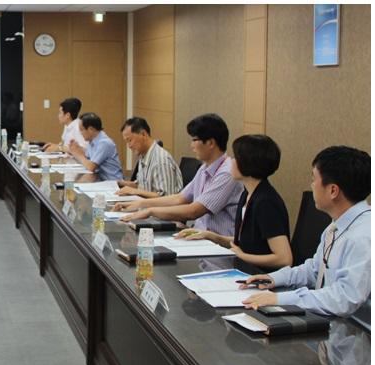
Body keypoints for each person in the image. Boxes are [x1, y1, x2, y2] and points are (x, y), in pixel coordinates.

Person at [241, 146, 371, 315]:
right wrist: (274, 278)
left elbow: (344, 299)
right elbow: (315, 270)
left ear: (333, 190)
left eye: (313, 179)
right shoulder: (336, 226)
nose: (312, 185)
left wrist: (281, 299)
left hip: (355, 327)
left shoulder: (363, 236)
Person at [175, 134, 291, 271]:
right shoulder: (247, 194)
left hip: (262, 277)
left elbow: (284, 259)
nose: (231, 161)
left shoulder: (266, 202)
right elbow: (245, 243)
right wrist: (210, 236)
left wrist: (243, 256)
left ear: (248, 163)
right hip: (245, 272)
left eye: (236, 158)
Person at [115, 113, 242, 237]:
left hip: (217, 244)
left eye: (194, 140)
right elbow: (180, 198)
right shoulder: (204, 168)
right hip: (197, 236)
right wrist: (141, 204)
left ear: (210, 143)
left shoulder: (226, 173)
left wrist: (150, 210)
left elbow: (194, 211)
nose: (191, 146)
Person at [116, 117, 183, 198]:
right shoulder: (143, 155)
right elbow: (142, 185)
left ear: (143, 134)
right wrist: (119, 183)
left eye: (130, 140)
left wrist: (135, 191)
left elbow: (166, 197)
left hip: (158, 206)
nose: (129, 146)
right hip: (146, 204)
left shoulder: (161, 161)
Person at [67, 113, 123, 181]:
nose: (80, 133)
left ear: (91, 129)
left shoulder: (104, 143)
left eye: (82, 130)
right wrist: (76, 148)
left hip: (113, 183)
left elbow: (91, 167)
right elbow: (88, 157)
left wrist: (78, 154)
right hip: (101, 180)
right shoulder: (92, 141)